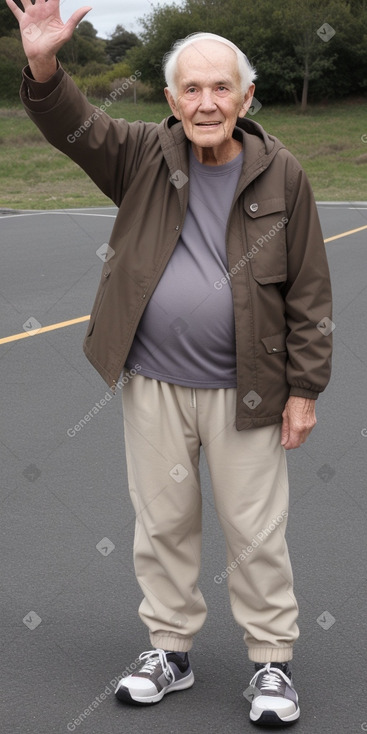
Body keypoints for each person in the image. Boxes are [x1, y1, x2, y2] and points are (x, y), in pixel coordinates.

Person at [8, 0, 333, 726]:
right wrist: (42, 63)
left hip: (247, 388)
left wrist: (303, 389)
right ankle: (169, 651)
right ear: (171, 100)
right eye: (192, 88)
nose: (207, 102)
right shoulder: (139, 154)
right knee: (161, 526)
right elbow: (69, 124)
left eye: (221, 88)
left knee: (254, 532)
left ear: (246, 97)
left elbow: (310, 293)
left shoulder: (284, 176)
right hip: (154, 384)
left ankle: (271, 665)